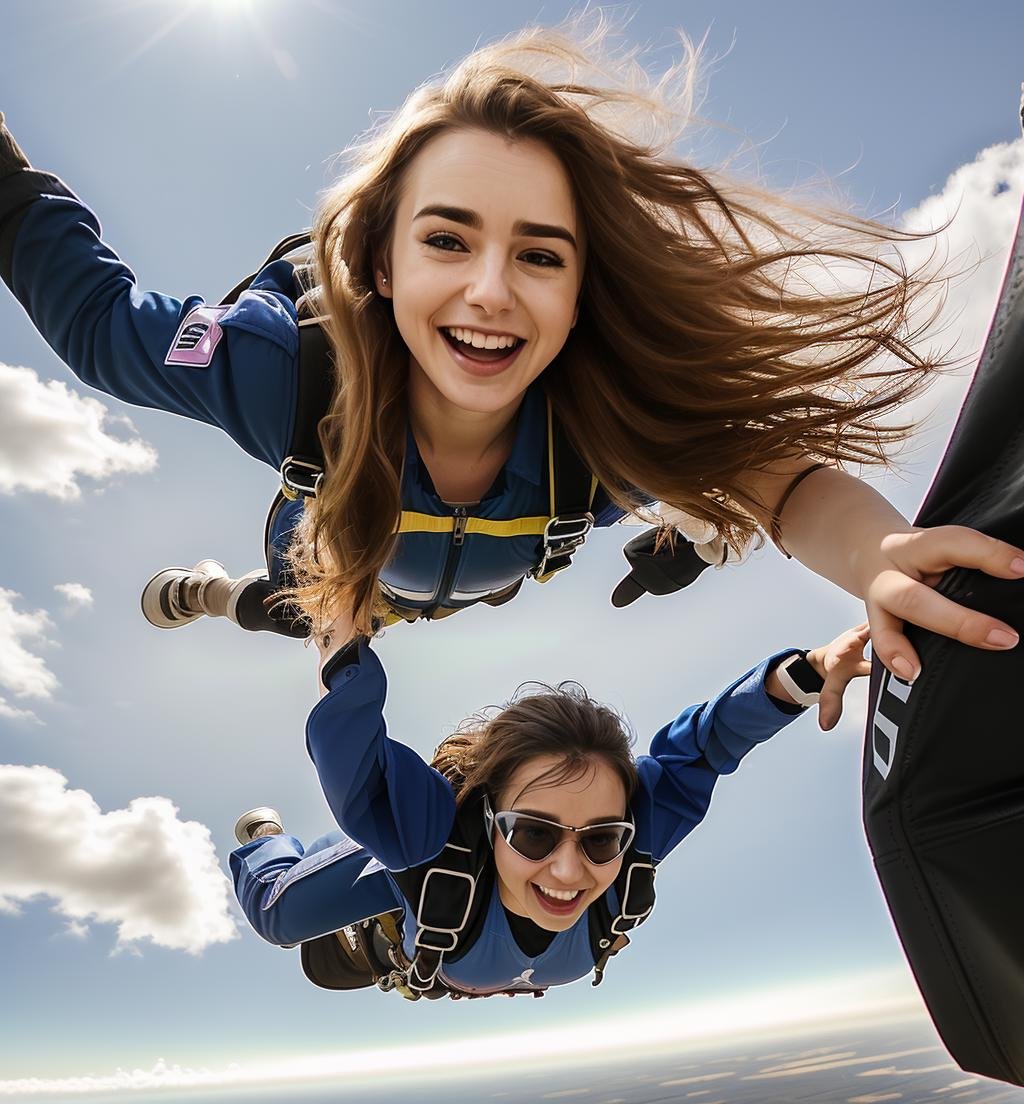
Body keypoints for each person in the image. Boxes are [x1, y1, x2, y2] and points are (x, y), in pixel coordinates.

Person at [2, 24, 1022, 684]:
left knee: (693, 478)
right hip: (336, 540)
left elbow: (782, 480)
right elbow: (102, 329)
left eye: (539, 255)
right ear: (381, 264)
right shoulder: (285, 371)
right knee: (290, 613)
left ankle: (687, 537)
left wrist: (876, 556)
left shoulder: (602, 423)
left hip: (479, 570)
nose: (489, 291)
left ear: (582, 290)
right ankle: (211, 593)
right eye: (446, 239)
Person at [230, 624, 870, 998]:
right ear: (489, 818)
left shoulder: (630, 850)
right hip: (420, 888)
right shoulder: (433, 840)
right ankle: (268, 840)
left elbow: (706, 747)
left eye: (600, 840)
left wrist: (804, 676)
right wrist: (340, 633)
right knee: (283, 915)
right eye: (534, 834)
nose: (569, 872)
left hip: (447, 946)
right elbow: (355, 761)